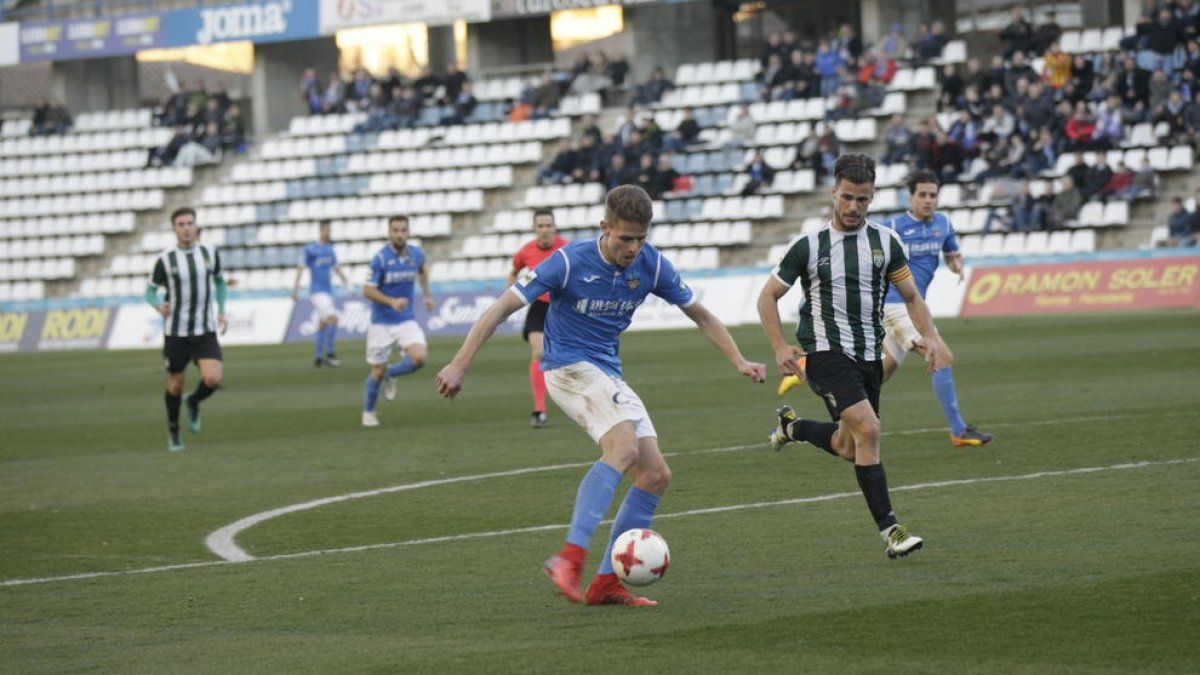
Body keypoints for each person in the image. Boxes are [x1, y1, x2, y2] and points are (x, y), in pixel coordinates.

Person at [435, 185, 766, 606]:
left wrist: (738, 359)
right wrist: (460, 363)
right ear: (604, 227)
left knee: (655, 475)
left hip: (606, 372)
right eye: (625, 238)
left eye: (641, 238)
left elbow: (699, 313)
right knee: (624, 447)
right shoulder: (569, 261)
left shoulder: (652, 264)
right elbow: (501, 307)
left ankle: (606, 580)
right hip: (567, 367)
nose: (633, 247)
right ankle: (569, 558)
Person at [757, 154, 939, 559]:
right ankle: (891, 530)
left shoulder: (887, 242)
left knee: (848, 445)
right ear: (833, 193)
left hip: (867, 356)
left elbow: (911, 296)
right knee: (870, 431)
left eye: (864, 199)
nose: (854, 207)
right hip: (824, 353)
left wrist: (928, 337)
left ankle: (792, 428)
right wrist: (780, 346)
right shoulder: (808, 246)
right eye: (848, 197)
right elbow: (767, 296)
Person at [878, 171, 992, 446]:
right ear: (911, 197)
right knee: (941, 356)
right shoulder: (892, 226)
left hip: (916, 308)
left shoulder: (943, 224)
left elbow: (952, 252)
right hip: (893, 304)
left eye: (933, 195)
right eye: (923, 195)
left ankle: (808, 367)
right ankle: (959, 431)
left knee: (883, 370)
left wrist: (957, 265)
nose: (928, 200)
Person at [144, 207, 228, 452]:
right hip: (176, 332)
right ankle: (173, 429)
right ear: (174, 228)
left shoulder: (209, 252)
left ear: (196, 225)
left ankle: (194, 400)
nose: (186, 228)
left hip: (204, 328)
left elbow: (220, 281)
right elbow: (149, 291)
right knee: (175, 384)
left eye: (190, 223)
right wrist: (158, 305)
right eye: (181, 224)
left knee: (213, 378)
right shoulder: (165, 259)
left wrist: (222, 310)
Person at [361, 215, 434, 427]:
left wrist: (427, 295)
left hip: (405, 320)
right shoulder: (380, 259)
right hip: (381, 322)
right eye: (396, 230)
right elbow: (367, 290)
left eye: (403, 230)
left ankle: (391, 373)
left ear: (408, 232)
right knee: (376, 370)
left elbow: (423, 271)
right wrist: (391, 301)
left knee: (419, 358)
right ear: (389, 232)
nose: (400, 234)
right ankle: (369, 413)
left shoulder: (416, 254)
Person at [505, 210, 568, 427]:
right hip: (539, 308)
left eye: (548, 225)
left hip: (564, 309)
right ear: (535, 229)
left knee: (570, 358)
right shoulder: (526, 251)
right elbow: (513, 272)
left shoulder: (566, 248)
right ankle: (540, 409)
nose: (544, 230)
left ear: (554, 227)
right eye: (540, 226)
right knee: (539, 352)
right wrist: (512, 295)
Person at [293, 219, 351, 367]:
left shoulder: (330, 249)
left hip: (327, 291)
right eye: (325, 230)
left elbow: (336, 267)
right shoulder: (311, 249)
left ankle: (318, 358)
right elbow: (301, 268)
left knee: (323, 324)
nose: (328, 233)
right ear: (320, 231)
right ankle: (330, 355)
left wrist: (346, 282)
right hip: (317, 291)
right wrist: (296, 289)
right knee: (333, 319)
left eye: (329, 230)